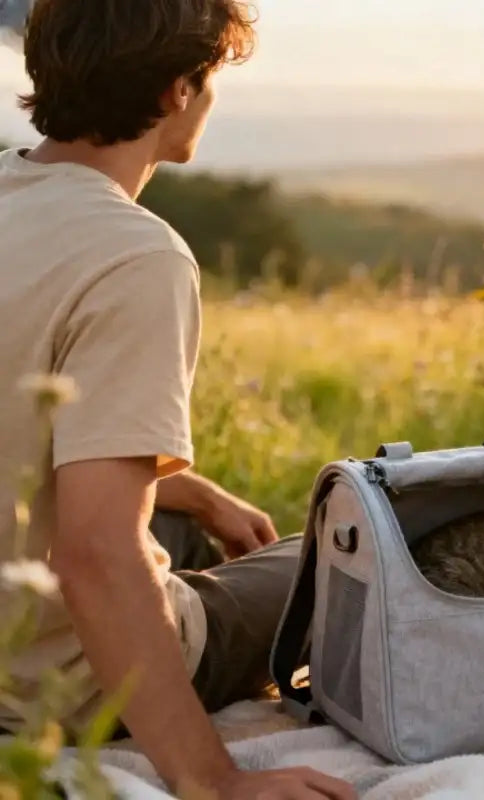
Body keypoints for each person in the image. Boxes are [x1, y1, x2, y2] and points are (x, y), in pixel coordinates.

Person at [0, 1, 354, 798]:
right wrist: (214, 781)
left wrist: (184, 489)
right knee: (334, 558)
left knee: (183, 525)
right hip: (52, 687)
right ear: (174, 92)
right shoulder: (136, 257)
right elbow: (95, 556)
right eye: (212, 78)